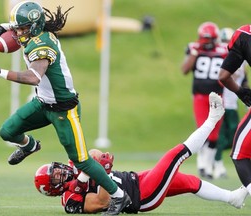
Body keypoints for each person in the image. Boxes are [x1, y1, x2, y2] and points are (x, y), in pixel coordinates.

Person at [0, 1, 130, 215]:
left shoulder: (43, 45)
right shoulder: (33, 31)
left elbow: (33, 77)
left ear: (35, 27)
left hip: (64, 110)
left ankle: (119, 196)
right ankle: (30, 146)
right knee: (7, 131)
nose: (18, 33)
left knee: (82, 161)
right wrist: (5, 27)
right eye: (17, 28)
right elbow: (15, 29)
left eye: (22, 29)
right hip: (42, 103)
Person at [34, 93, 249, 214]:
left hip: (136, 178)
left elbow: (93, 152)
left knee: (188, 182)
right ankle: (213, 119)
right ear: (53, 189)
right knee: (175, 155)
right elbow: (102, 202)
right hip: (142, 195)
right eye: (56, 178)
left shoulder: (75, 166)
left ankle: (233, 198)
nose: (61, 172)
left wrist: (87, 171)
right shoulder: (70, 200)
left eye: (56, 170)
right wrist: (102, 172)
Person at [181, 21, 228, 179]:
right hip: (200, 95)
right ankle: (203, 165)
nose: (207, 43)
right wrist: (194, 53)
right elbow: (185, 70)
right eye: (205, 39)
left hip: (218, 95)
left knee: (214, 134)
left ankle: (208, 164)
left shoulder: (223, 50)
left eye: (210, 39)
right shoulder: (194, 49)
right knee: (203, 129)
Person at [219, 24, 251, 196]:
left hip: (229, 98)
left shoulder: (244, 34)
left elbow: (223, 76)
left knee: (240, 154)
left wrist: (241, 92)